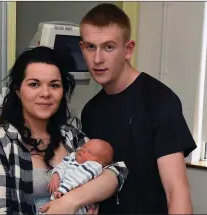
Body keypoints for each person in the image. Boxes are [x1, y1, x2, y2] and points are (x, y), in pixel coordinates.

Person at [0, 46, 128, 214]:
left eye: (54, 85)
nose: (45, 93)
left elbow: (116, 172)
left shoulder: (71, 136)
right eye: (34, 84)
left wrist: (71, 202)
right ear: (18, 90)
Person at [78, 3, 197, 214]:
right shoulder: (90, 111)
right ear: (82, 48)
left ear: (128, 49)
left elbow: (176, 192)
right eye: (90, 47)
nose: (97, 59)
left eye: (108, 47)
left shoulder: (159, 100)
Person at [47, 139, 116, 214]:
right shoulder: (72, 158)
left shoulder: (93, 166)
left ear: (101, 163)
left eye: (90, 152)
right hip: (58, 199)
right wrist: (56, 175)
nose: (83, 150)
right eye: (83, 147)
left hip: (78, 206)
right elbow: (62, 165)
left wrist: (62, 190)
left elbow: (77, 178)